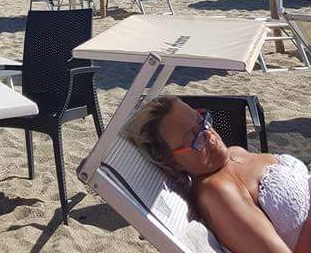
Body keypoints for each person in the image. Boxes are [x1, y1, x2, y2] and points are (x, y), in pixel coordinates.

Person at [124, 95, 311, 253]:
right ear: (171, 161)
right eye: (194, 138)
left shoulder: (233, 153)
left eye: (202, 121)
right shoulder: (217, 192)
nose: (209, 135)